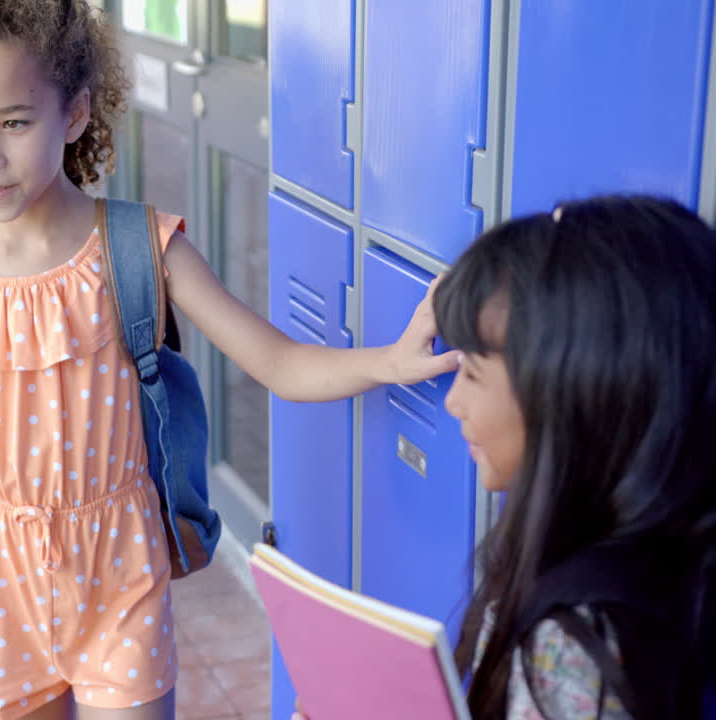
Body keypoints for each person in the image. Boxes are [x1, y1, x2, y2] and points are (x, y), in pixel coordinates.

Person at [0, 2, 457, 718]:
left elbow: (276, 362)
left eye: (15, 122)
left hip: (119, 574)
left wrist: (389, 363)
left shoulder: (139, 249)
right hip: (2, 584)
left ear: (75, 114)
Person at [297, 195, 716, 719]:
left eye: (473, 373)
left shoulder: (574, 652)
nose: (452, 401)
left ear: (576, 398)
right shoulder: (656, 559)